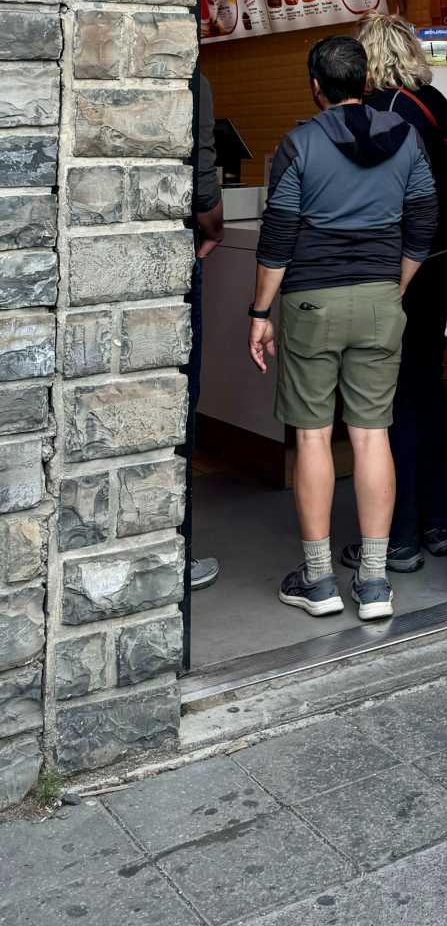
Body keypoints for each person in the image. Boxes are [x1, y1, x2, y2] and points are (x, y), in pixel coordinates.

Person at [249, 35, 437, 622]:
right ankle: (376, 583)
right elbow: (424, 220)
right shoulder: (405, 137)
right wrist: (398, 284)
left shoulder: (300, 144)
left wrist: (259, 313)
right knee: (371, 433)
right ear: (365, 81)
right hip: (381, 298)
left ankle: (319, 580)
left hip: (311, 303)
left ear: (315, 85)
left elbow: (277, 237)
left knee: (311, 435)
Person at [338, 16, 447, 575]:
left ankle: (398, 536)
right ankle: (439, 523)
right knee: (430, 389)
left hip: (394, 271)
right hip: (441, 267)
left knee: (387, 401)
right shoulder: (437, 104)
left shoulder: (378, 118)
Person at [188, 69, 224, 591]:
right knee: (180, 395)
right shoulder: (195, 78)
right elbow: (203, 165)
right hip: (179, 248)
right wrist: (213, 224)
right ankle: (178, 548)